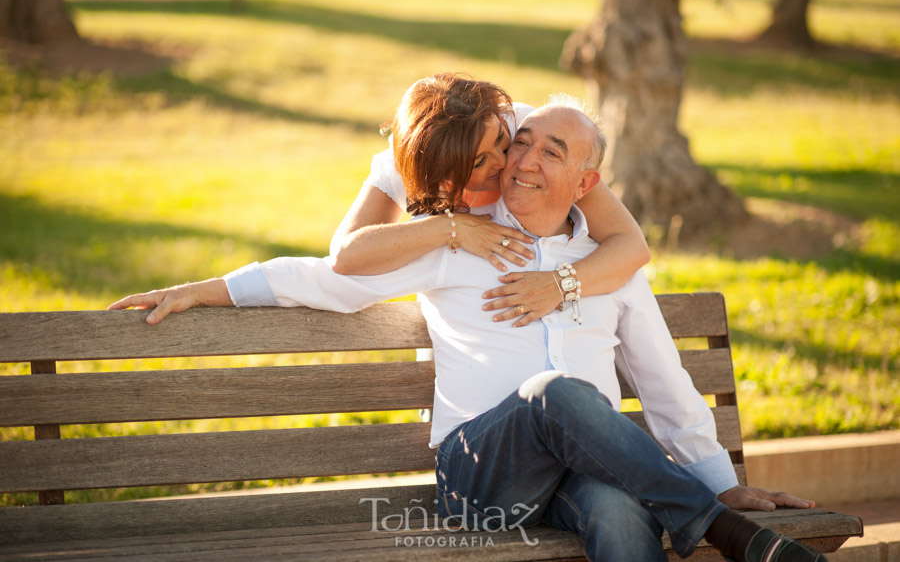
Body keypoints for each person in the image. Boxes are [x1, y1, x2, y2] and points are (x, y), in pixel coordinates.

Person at [109, 99, 825, 562]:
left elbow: (664, 380)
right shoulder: (460, 247)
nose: (527, 159)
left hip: (580, 472)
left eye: (554, 151)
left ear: (586, 183)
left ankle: (710, 513)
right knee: (560, 391)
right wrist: (197, 290)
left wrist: (719, 478)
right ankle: (722, 531)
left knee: (619, 515)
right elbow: (324, 276)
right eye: (522, 143)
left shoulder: (607, 267)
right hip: (483, 478)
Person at [328, 73, 650, 327]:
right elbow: (347, 255)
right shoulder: (407, 166)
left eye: (499, 140)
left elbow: (630, 244)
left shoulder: (529, 134)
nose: (507, 160)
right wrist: (450, 227)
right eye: (480, 162)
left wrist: (559, 285)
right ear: (444, 177)